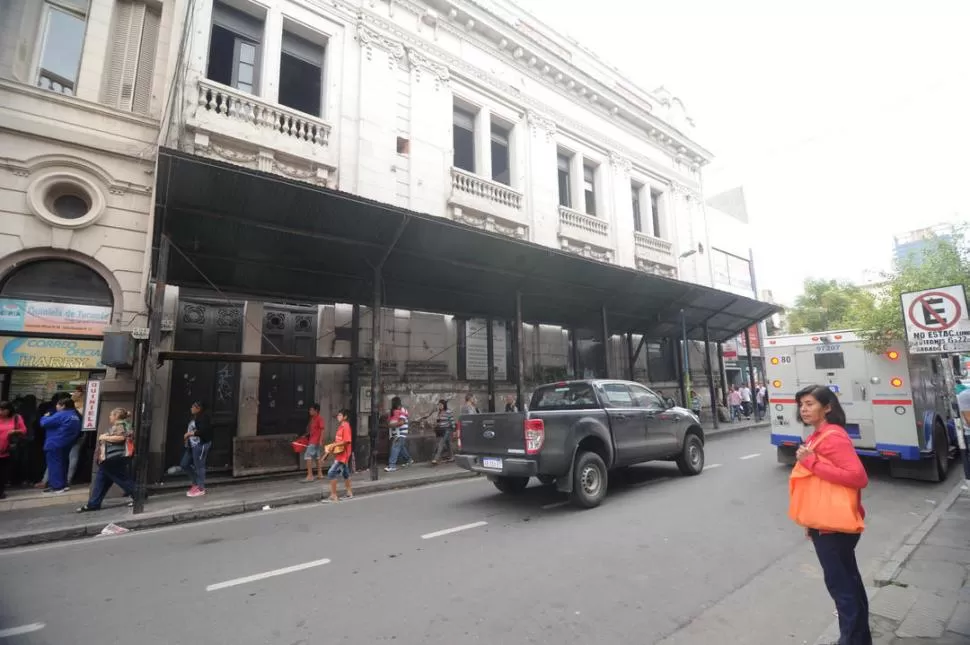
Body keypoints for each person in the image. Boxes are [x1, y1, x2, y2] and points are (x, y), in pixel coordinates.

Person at [793, 385, 871, 645]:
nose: (804, 409)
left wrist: (811, 462)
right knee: (849, 585)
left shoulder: (832, 436)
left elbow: (858, 477)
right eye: (802, 404)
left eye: (810, 404)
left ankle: (850, 641)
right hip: (826, 524)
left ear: (827, 407)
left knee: (843, 590)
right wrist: (811, 522)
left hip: (833, 529)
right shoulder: (819, 435)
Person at [76, 408, 135, 512]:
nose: (110, 417)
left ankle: (138, 494)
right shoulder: (123, 424)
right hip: (110, 458)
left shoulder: (120, 424)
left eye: (111, 415)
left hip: (113, 457)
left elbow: (121, 437)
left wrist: (104, 437)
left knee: (120, 478)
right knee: (101, 479)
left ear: (116, 416)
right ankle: (94, 503)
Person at [40, 397, 81, 494]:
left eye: (58, 405)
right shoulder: (75, 415)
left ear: (63, 406)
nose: (56, 406)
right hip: (67, 442)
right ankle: (63, 484)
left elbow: (44, 423)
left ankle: (57, 486)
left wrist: (45, 416)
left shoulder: (61, 414)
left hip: (55, 442)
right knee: (63, 463)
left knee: (54, 464)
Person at [181, 401, 213, 497]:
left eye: (193, 407)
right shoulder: (193, 417)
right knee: (184, 463)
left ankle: (200, 488)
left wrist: (190, 434)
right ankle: (196, 482)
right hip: (192, 445)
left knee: (199, 465)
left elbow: (203, 431)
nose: (191, 408)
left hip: (200, 444)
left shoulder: (204, 417)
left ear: (198, 408)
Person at [325, 409, 354, 502]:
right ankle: (349, 493)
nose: (338, 417)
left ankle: (334, 495)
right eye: (338, 415)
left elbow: (346, 441)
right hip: (340, 453)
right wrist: (333, 446)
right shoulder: (341, 426)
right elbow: (339, 440)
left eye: (340, 415)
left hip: (343, 455)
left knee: (331, 472)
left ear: (345, 417)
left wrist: (334, 445)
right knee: (345, 473)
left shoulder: (345, 426)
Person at [0, 401, 27, 499]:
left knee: (3, 471)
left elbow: (24, 430)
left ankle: (1, 491)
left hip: (7, 449)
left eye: (3, 410)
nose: (1, 412)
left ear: (9, 410)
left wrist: (14, 431)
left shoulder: (16, 417)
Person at [385, 396, 412, 472]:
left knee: (395, 448)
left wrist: (391, 425)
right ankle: (409, 460)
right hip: (395, 432)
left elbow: (402, 422)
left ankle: (392, 465)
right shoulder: (393, 411)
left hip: (400, 433)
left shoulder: (403, 410)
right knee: (401, 448)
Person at [303, 403, 325, 482]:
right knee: (317, 457)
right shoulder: (313, 419)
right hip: (313, 440)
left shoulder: (319, 418)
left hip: (314, 441)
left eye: (311, 410)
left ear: (316, 411)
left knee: (308, 456)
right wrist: (305, 435)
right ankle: (320, 474)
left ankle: (310, 475)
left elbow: (322, 430)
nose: (310, 411)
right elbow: (312, 430)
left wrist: (320, 440)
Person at [431, 399, 455, 466]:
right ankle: (452, 457)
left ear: (444, 405)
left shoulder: (448, 411)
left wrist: (454, 430)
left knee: (440, 444)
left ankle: (436, 459)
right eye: (439, 405)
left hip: (447, 430)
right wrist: (436, 424)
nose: (439, 406)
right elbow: (439, 421)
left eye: (441, 405)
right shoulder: (439, 412)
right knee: (448, 444)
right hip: (440, 430)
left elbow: (452, 421)